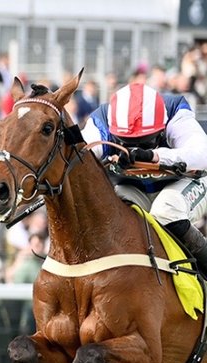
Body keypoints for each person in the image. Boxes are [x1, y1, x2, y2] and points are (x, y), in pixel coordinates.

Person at [82, 81, 207, 270]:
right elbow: (79, 157)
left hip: (188, 181)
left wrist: (153, 156)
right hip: (135, 189)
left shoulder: (175, 111)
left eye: (145, 142)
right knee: (114, 213)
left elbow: (201, 154)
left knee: (166, 210)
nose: (136, 147)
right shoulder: (100, 122)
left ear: (162, 127)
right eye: (127, 142)